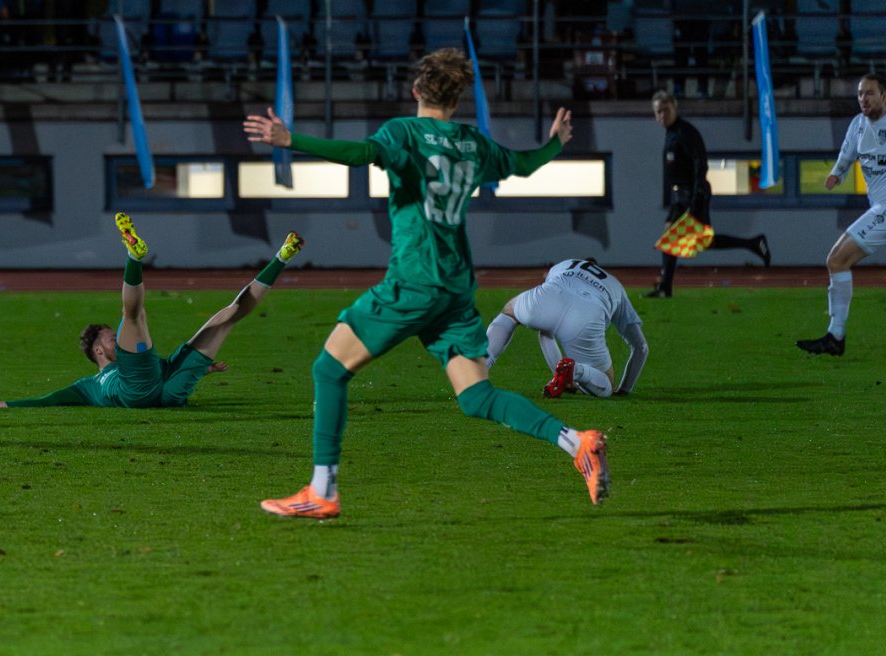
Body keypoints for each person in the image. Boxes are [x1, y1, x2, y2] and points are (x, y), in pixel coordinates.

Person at [243, 49, 610, 519]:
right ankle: (577, 443)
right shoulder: (472, 143)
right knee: (476, 397)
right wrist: (555, 142)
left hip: (415, 281)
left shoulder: (404, 133)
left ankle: (322, 490)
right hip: (455, 290)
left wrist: (290, 139)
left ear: (416, 90)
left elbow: (361, 154)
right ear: (457, 100)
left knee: (329, 369)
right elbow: (523, 164)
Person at [0, 217, 305, 410]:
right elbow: (47, 400)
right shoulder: (87, 386)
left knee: (227, 316)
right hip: (139, 390)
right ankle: (134, 257)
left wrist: (205, 370)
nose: (115, 339)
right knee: (134, 315)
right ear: (98, 350)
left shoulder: (102, 380)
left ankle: (282, 257)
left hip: (167, 387)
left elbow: (48, 400)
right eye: (111, 338)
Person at [796, 74, 886, 356]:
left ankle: (835, 336)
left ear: (884, 96)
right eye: (860, 94)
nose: (863, 99)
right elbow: (847, 154)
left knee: (836, 260)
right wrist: (837, 173)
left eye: (869, 93)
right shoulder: (858, 124)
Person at [646, 90, 771, 298]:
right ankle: (665, 287)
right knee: (678, 237)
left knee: (694, 240)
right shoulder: (671, 133)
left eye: (665, 110)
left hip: (694, 195)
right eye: (658, 112)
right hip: (680, 197)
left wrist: (696, 198)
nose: (662, 115)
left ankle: (753, 243)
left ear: (675, 108)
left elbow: (700, 165)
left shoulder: (686, 133)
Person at [487, 258, 648, 400]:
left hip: (551, 296)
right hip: (587, 315)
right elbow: (641, 347)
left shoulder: (565, 264)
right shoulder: (615, 285)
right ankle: (575, 371)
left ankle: (479, 366)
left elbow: (548, 322)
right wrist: (625, 389)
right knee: (607, 383)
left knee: (510, 313)